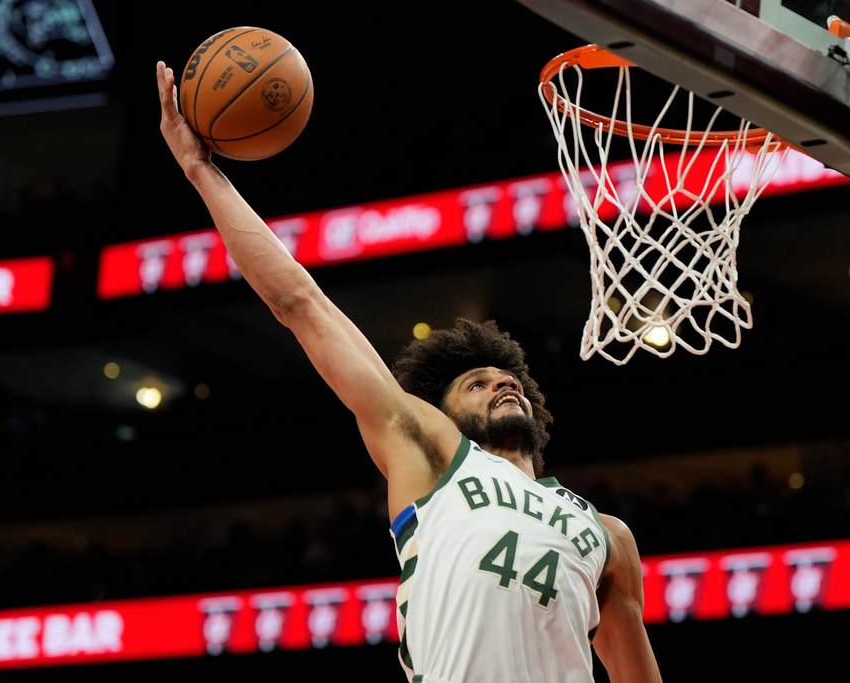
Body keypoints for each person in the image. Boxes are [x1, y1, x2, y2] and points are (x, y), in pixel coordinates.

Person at [156, 61, 661, 683]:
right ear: (440, 417)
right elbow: (300, 304)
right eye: (475, 383)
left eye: (507, 380)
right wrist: (202, 172)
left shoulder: (608, 536)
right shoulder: (433, 454)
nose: (502, 383)